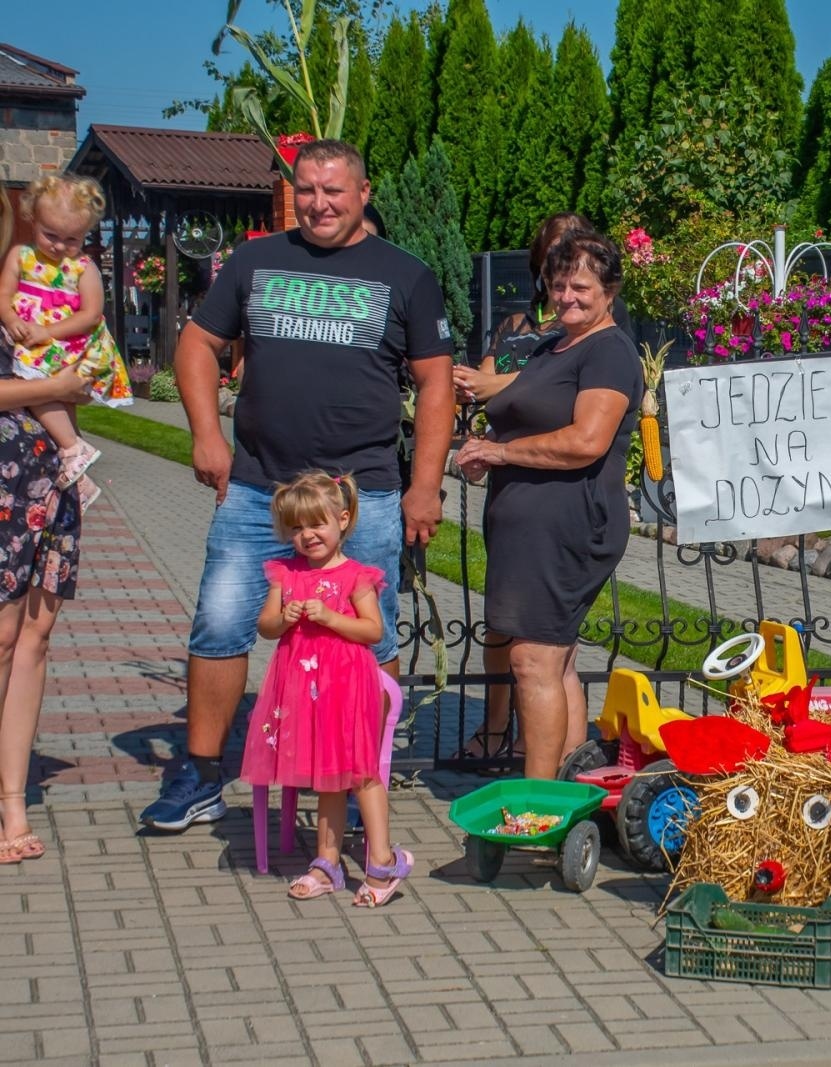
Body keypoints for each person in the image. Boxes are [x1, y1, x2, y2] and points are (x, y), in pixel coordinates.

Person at [139, 139, 454, 832]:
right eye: (307, 189)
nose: (319, 203)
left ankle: (362, 771)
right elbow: (197, 345)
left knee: (370, 637)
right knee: (220, 623)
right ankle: (199, 774)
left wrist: (424, 484)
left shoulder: (406, 274)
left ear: (364, 192)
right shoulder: (254, 260)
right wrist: (205, 433)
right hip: (258, 490)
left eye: (334, 190)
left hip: (359, 494)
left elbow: (436, 384)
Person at [454, 233, 642, 779]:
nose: (567, 297)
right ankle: (569, 785)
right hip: (528, 526)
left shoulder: (607, 351)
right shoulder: (550, 346)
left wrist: (502, 450)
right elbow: (515, 403)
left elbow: (586, 440)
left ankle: (536, 804)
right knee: (554, 661)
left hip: (568, 523)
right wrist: (483, 452)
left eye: (581, 286)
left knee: (531, 659)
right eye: (558, 285)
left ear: (609, 291)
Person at [239, 471, 412, 904]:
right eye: (296, 527)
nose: (307, 535)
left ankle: (382, 863)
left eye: (317, 524)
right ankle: (326, 862)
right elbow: (265, 626)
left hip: (348, 688)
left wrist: (331, 618)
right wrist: (286, 618)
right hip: (304, 689)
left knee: (362, 775)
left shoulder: (357, 576)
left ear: (343, 519)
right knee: (328, 779)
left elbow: (373, 631)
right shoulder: (286, 574)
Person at [0, 193, 95, 861]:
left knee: (34, 635)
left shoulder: (48, 285)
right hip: (4, 475)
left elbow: (84, 374)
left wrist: (73, 384)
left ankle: (14, 799)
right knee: (4, 637)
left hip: (52, 475)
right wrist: (53, 387)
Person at [0, 174, 133, 510]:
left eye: (72, 239)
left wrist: (48, 333)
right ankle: (73, 455)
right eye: (51, 235)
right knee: (45, 391)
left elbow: (91, 314)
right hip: (31, 336)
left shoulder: (82, 267)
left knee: (50, 390)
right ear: (33, 218)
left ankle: (73, 450)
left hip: (65, 339)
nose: (59, 246)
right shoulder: (21, 256)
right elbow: (2, 295)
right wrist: (13, 318)